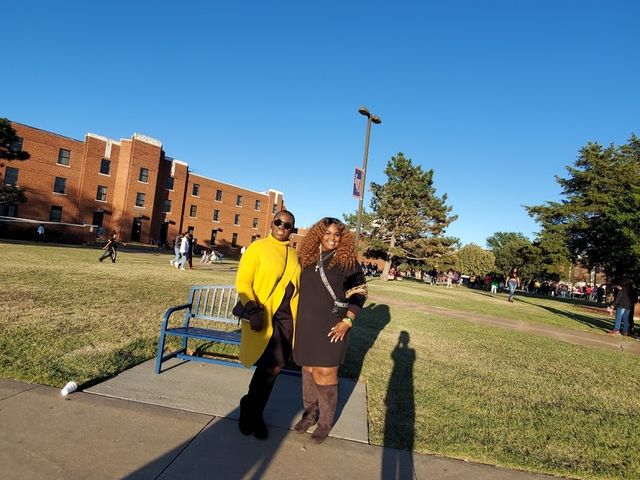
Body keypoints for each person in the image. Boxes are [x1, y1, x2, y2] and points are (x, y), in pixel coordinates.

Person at [292, 217, 367, 444]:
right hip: (306, 324)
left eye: (337, 234)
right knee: (308, 368)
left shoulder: (348, 262)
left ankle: (325, 422)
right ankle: (309, 414)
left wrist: (348, 321)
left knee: (326, 371)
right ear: (318, 235)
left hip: (333, 324)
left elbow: (360, 293)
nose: (332, 238)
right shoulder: (306, 258)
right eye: (327, 234)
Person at [235, 210, 301, 440]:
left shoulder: (294, 254)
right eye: (278, 222)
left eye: (288, 225)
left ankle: (253, 409)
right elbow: (243, 281)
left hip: (285, 319)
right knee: (268, 368)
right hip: (263, 316)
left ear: (293, 230)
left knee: (275, 368)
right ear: (272, 223)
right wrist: (252, 308)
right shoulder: (258, 248)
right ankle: (252, 411)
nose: (282, 226)